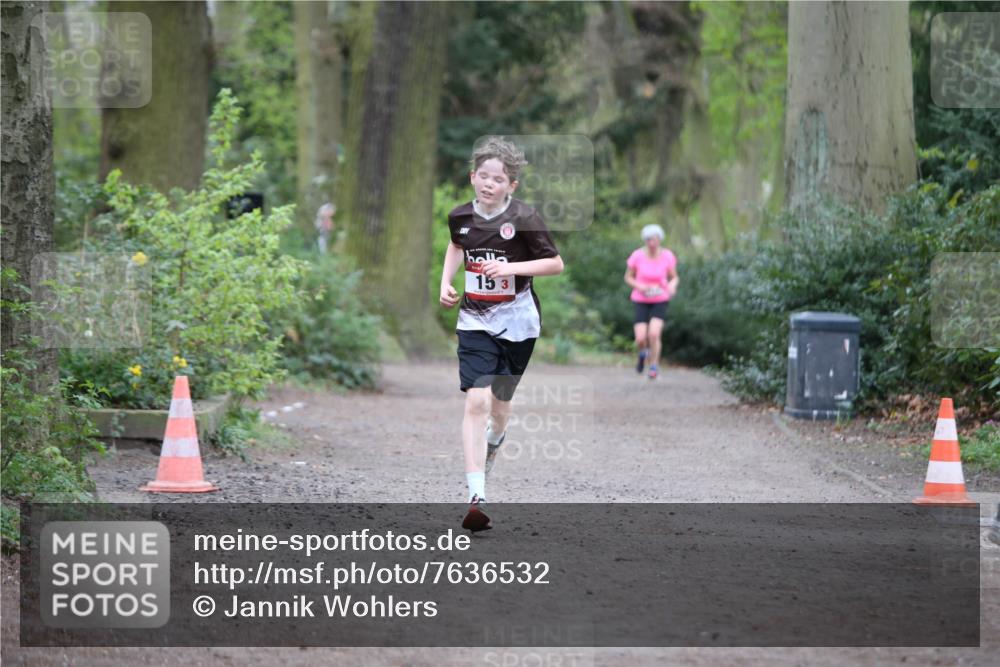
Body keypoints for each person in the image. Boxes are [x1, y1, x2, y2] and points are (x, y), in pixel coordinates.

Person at [439, 137, 564, 531]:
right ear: (472, 177)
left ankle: (496, 440)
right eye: (483, 176)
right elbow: (456, 245)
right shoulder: (460, 216)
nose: (489, 184)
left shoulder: (524, 218)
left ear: (512, 185)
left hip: (518, 322)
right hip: (475, 319)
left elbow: (555, 264)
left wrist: (509, 270)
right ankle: (476, 495)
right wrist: (446, 281)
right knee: (475, 401)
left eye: (499, 178)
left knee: (499, 407)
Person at [624, 224, 678, 380]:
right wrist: (640, 286)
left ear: (659, 239)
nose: (650, 243)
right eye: (647, 239)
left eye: (653, 239)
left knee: (654, 334)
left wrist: (672, 286)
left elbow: (674, 276)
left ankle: (653, 366)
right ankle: (642, 353)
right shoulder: (637, 256)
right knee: (641, 338)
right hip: (640, 299)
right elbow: (628, 277)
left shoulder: (667, 256)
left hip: (660, 298)